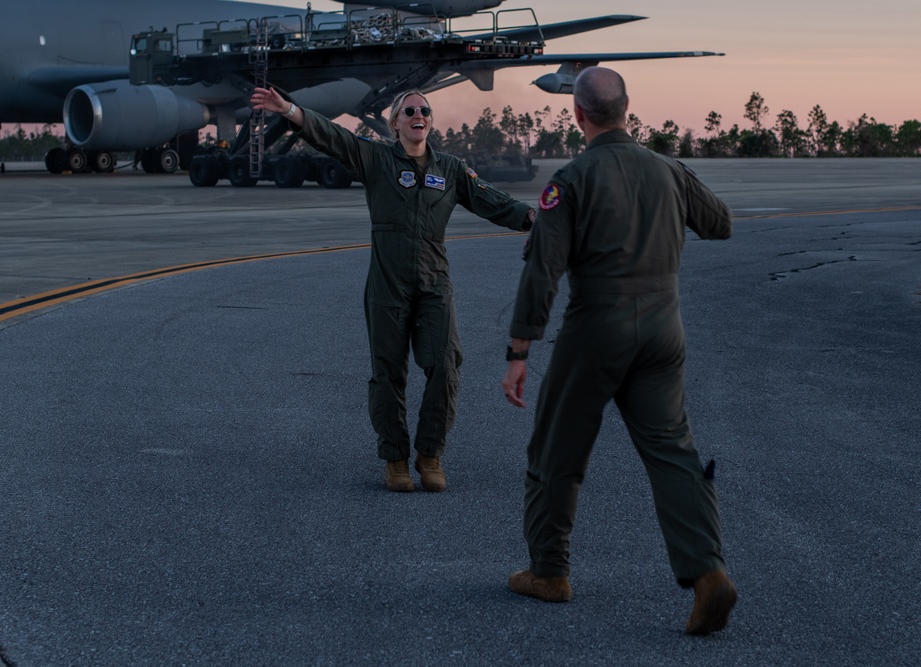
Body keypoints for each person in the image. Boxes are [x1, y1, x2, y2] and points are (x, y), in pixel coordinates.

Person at [501, 67, 737, 635]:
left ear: (577, 114)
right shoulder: (667, 170)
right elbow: (720, 223)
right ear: (627, 108)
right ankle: (708, 574)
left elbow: (543, 271)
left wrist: (518, 350)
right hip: (663, 330)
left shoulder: (572, 179)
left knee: (557, 450)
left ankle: (549, 572)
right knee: (672, 451)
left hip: (597, 329)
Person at [251, 86, 536, 493]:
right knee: (388, 375)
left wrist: (532, 218)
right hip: (387, 286)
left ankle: (430, 453)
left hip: (434, 285)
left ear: (430, 121)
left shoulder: (451, 168)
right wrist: (290, 110)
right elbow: (334, 137)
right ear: (396, 123)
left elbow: (494, 201)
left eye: (425, 110)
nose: (418, 115)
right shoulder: (377, 159)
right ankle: (396, 459)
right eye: (409, 111)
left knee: (445, 365)